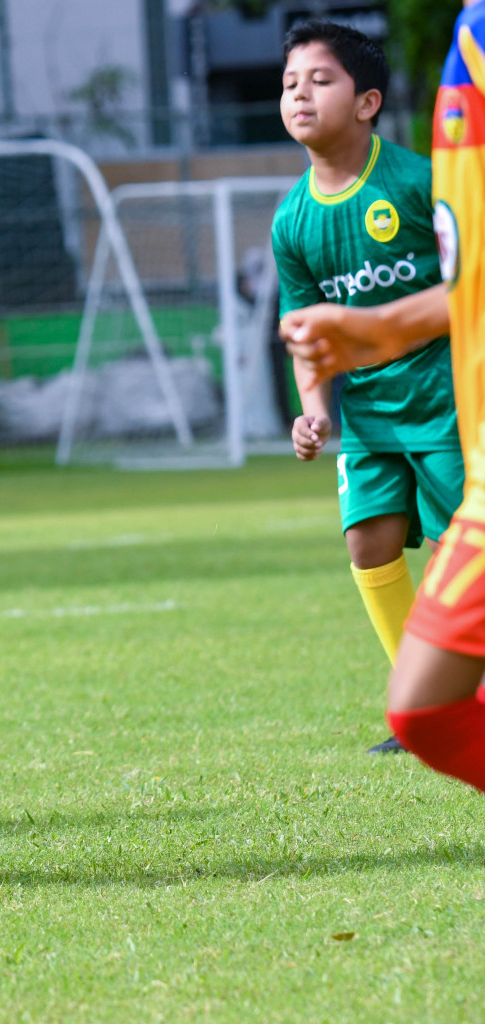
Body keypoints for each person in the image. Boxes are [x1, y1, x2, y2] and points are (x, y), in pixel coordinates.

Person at [282, 0, 485, 803]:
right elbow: (305, 329)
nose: (299, 95)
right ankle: (421, 689)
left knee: (449, 551)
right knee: (366, 541)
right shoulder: (291, 219)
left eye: (319, 80)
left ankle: (452, 689)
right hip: (367, 419)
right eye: (290, 82)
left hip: (443, 404)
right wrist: (316, 407)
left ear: (367, 102)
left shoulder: (414, 180)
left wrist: (381, 328)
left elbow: (461, 284)